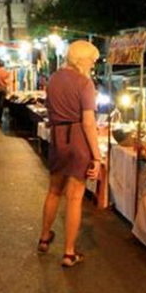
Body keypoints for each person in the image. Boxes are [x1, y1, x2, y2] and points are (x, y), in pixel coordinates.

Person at [38, 40, 101, 268]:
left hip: (57, 136)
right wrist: (97, 156)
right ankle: (68, 252)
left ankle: (45, 237)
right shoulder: (85, 83)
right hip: (77, 138)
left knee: (54, 190)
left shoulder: (53, 79)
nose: (93, 66)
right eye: (92, 61)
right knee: (75, 197)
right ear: (82, 59)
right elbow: (88, 122)